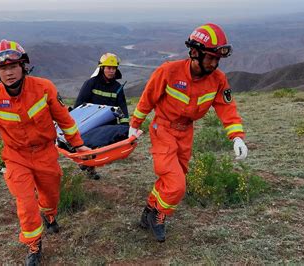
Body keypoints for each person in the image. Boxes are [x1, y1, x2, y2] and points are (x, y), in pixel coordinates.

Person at [0, 39, 90, 265]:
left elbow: (65, 120)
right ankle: (33, 244)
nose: (8, 73)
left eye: (12, 67)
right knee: (26, 201)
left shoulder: (44, 88)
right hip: (16, 156)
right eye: (3, 68)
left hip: (45, 153)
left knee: (50, 195)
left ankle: (49, 216)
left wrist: (78, 145)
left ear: (23, 67)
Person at [128, 23, 248, 242]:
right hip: (162, 129)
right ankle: (159, 216)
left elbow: (226, 107)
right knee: (176, 185)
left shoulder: (218, 79)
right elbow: (148, 98)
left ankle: (149, 211)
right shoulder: (168, 71)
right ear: (194, 52)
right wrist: (134, 125)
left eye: (217, 59)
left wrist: (237, 136)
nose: (214, 63)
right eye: (210, 57)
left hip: (186, 133)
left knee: (173, 179)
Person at [73, 52, 129, 180]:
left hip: (108, 123)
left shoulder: (117, 87)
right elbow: (79, 104)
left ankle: (89, 166)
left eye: (114, 68)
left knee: (98, 145)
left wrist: (125, 126)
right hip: (89, 122)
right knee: (89, 145)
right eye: (108, 68)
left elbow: (123, 106)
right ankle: (88, 167)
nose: (111, 71)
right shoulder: (91, 83)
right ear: (102, 68)